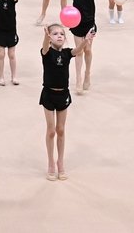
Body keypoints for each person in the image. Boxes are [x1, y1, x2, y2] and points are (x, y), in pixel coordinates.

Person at [40, 24, 95, 181]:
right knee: (51, 130)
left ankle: (61, 162)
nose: (59, 36)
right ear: (50, 37)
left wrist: (86, 41)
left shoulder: (66, 53)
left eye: (62, 34)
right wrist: (45, 37)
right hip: (48, 94)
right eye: (55, 34)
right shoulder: (47, 52)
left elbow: (77, 51)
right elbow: (44, 48)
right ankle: (51, 162)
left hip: (63, 94)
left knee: (61, 130)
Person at [69, 0, 108, 93]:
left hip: (89, 23)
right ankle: (78, 79)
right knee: (78, 51)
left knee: (88, 50)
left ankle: (87, 74)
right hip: (76, 22)